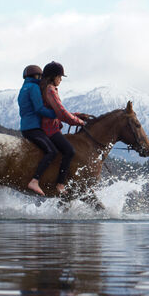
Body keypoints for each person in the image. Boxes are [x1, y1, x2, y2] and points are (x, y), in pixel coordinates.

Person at [39, 61, 92, 196]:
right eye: (59, 77)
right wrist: (79, 122)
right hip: (50, 128)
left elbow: (59, 112)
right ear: (53, 76)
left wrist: (77, 115)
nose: (61, 80)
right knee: (69, 151)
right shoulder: (50, 90)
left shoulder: (47, 88)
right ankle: (60, 184)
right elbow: (61, 113)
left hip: (49, 126)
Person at [17, 64, 59, 196]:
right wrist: (56, 114)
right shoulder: (34, 87)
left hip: (25, 127)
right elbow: (39, 109)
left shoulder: (23, 88)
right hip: (33, 127)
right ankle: (35, 180)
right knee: (52, 151)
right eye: (40, 76)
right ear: (37, 76)